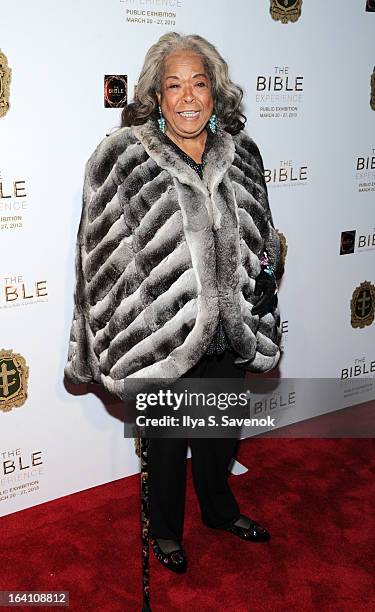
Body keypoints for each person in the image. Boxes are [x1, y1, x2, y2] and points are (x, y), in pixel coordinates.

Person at [64, 32, 285, 575]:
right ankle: (165, 531)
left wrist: (266, 275)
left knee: (218, 435)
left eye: (199, 83)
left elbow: (263, 233)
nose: (188, 97)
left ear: (216, 93)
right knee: (164, 447)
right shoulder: (121, 159)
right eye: (174, 85)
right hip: (162, 336)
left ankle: (219, 510)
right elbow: (97, 257)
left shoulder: (242, 153)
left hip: (229, 327)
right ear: (156, 97)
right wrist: (110, 342)